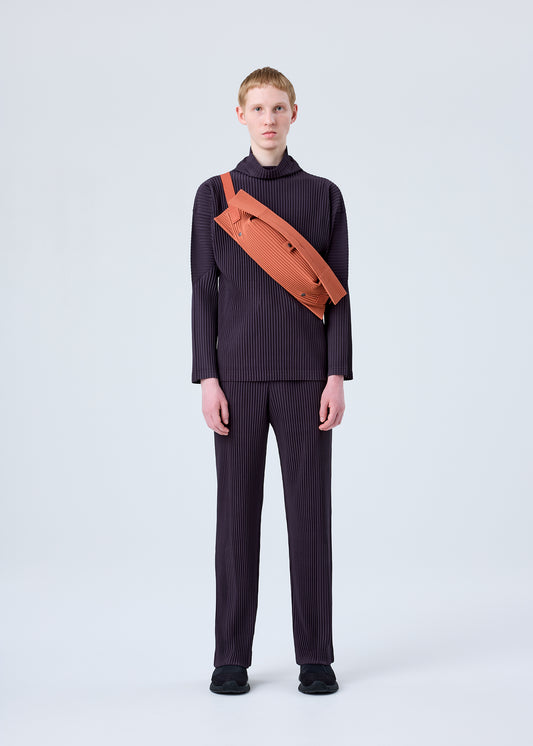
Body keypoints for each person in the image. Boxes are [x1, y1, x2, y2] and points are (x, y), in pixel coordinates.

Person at [190, 66, 353, 695]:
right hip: (235, 381)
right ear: (241, 115)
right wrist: (207, 377)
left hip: (307, 381)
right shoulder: (215, 196)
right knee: (236, 518)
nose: (268, 119)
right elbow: (204, 292)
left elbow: (338, 296)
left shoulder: (325, 196)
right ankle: (230, 657)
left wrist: (336, 374)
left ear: (294, 114)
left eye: (278, 107)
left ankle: (316, 657)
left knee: (311, 518)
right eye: (257, 108)